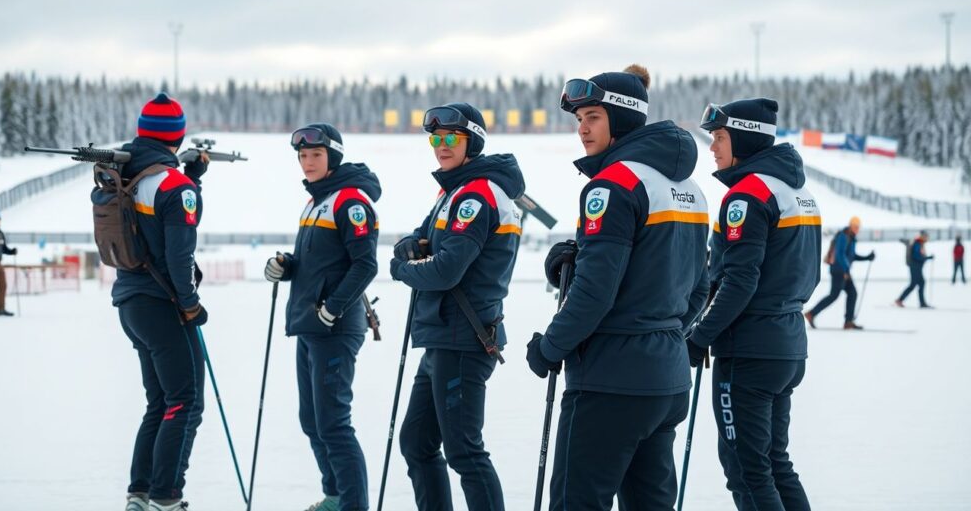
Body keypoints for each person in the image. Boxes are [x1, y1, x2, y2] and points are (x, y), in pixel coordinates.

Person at [525, 67, 710, 510]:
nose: (582, 129)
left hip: (610, 384)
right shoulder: (690, 189)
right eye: (579, 120)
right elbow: (697, 288)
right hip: (665, 382)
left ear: (622, 120)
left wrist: (550, 348)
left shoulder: (611, 185)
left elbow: (594, 294)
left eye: (593, 117)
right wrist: (659, 331)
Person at [688, 98, 821, 511]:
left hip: (748, 350)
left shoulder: (746, 196)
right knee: (774, 463)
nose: (712, 147)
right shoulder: (799, 190)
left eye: (720, 137)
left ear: (743, 138)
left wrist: (700, 336)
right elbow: (810, 276)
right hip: (787, 343)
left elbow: (741, 279)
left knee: (747, 470)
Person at [390, 102, 524, 511]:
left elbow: (447, 270)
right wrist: (408, 249)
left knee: (464, 450)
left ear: (473, 141)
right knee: (416, 442)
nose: (441, 146)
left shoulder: (477, 195)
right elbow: (416, 239)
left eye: (451, 138)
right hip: (442, 336)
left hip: (464, 338)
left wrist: (401, 269)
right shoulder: (452, 191)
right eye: (435, 138)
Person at [263, 123, 380, 511]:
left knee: (333, 423)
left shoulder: (351, 202)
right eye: (302, 156)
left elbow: (365, 266)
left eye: (315, 155)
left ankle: (352, 505)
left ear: (333, 157)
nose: (307, 162)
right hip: (310, 325)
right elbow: (320, 263)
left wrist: (332, 308)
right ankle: (335, 496)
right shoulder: (316, 202)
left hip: (335, 327)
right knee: (312, 420)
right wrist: (286, 266)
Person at [111, 93, 209, 511]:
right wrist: (190, 304)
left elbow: (150, 230)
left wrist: (194, 179)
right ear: (178, 134)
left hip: (131, 301)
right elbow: (178, 255)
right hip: (163, 304)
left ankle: (141, 491)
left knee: (161, 401)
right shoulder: (173, 185)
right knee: (185, 401)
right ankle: (167, 497)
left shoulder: (124, 174)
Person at [804, 216, 875, 330]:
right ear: (851, 226)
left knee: (852, 293)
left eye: (858, 227)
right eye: (855, 226)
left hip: (843, 270)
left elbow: (851, 256)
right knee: (834, 295)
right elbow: (839, 255)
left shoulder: (850, 237)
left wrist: (867, 257)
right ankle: (811, 313)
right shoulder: (844, 236)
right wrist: (846, 270)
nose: (857, 229)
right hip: (839, 270)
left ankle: (848, 321)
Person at [895, 230, 934, 308]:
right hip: (915, 266)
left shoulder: (919, 243)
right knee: (916, 283)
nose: (927, 238)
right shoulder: (917, 243)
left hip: (916, 266)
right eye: (926, 237)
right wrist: (927, 258)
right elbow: (917, 256)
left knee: (918, 283)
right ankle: (901, 300)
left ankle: (902, 300)